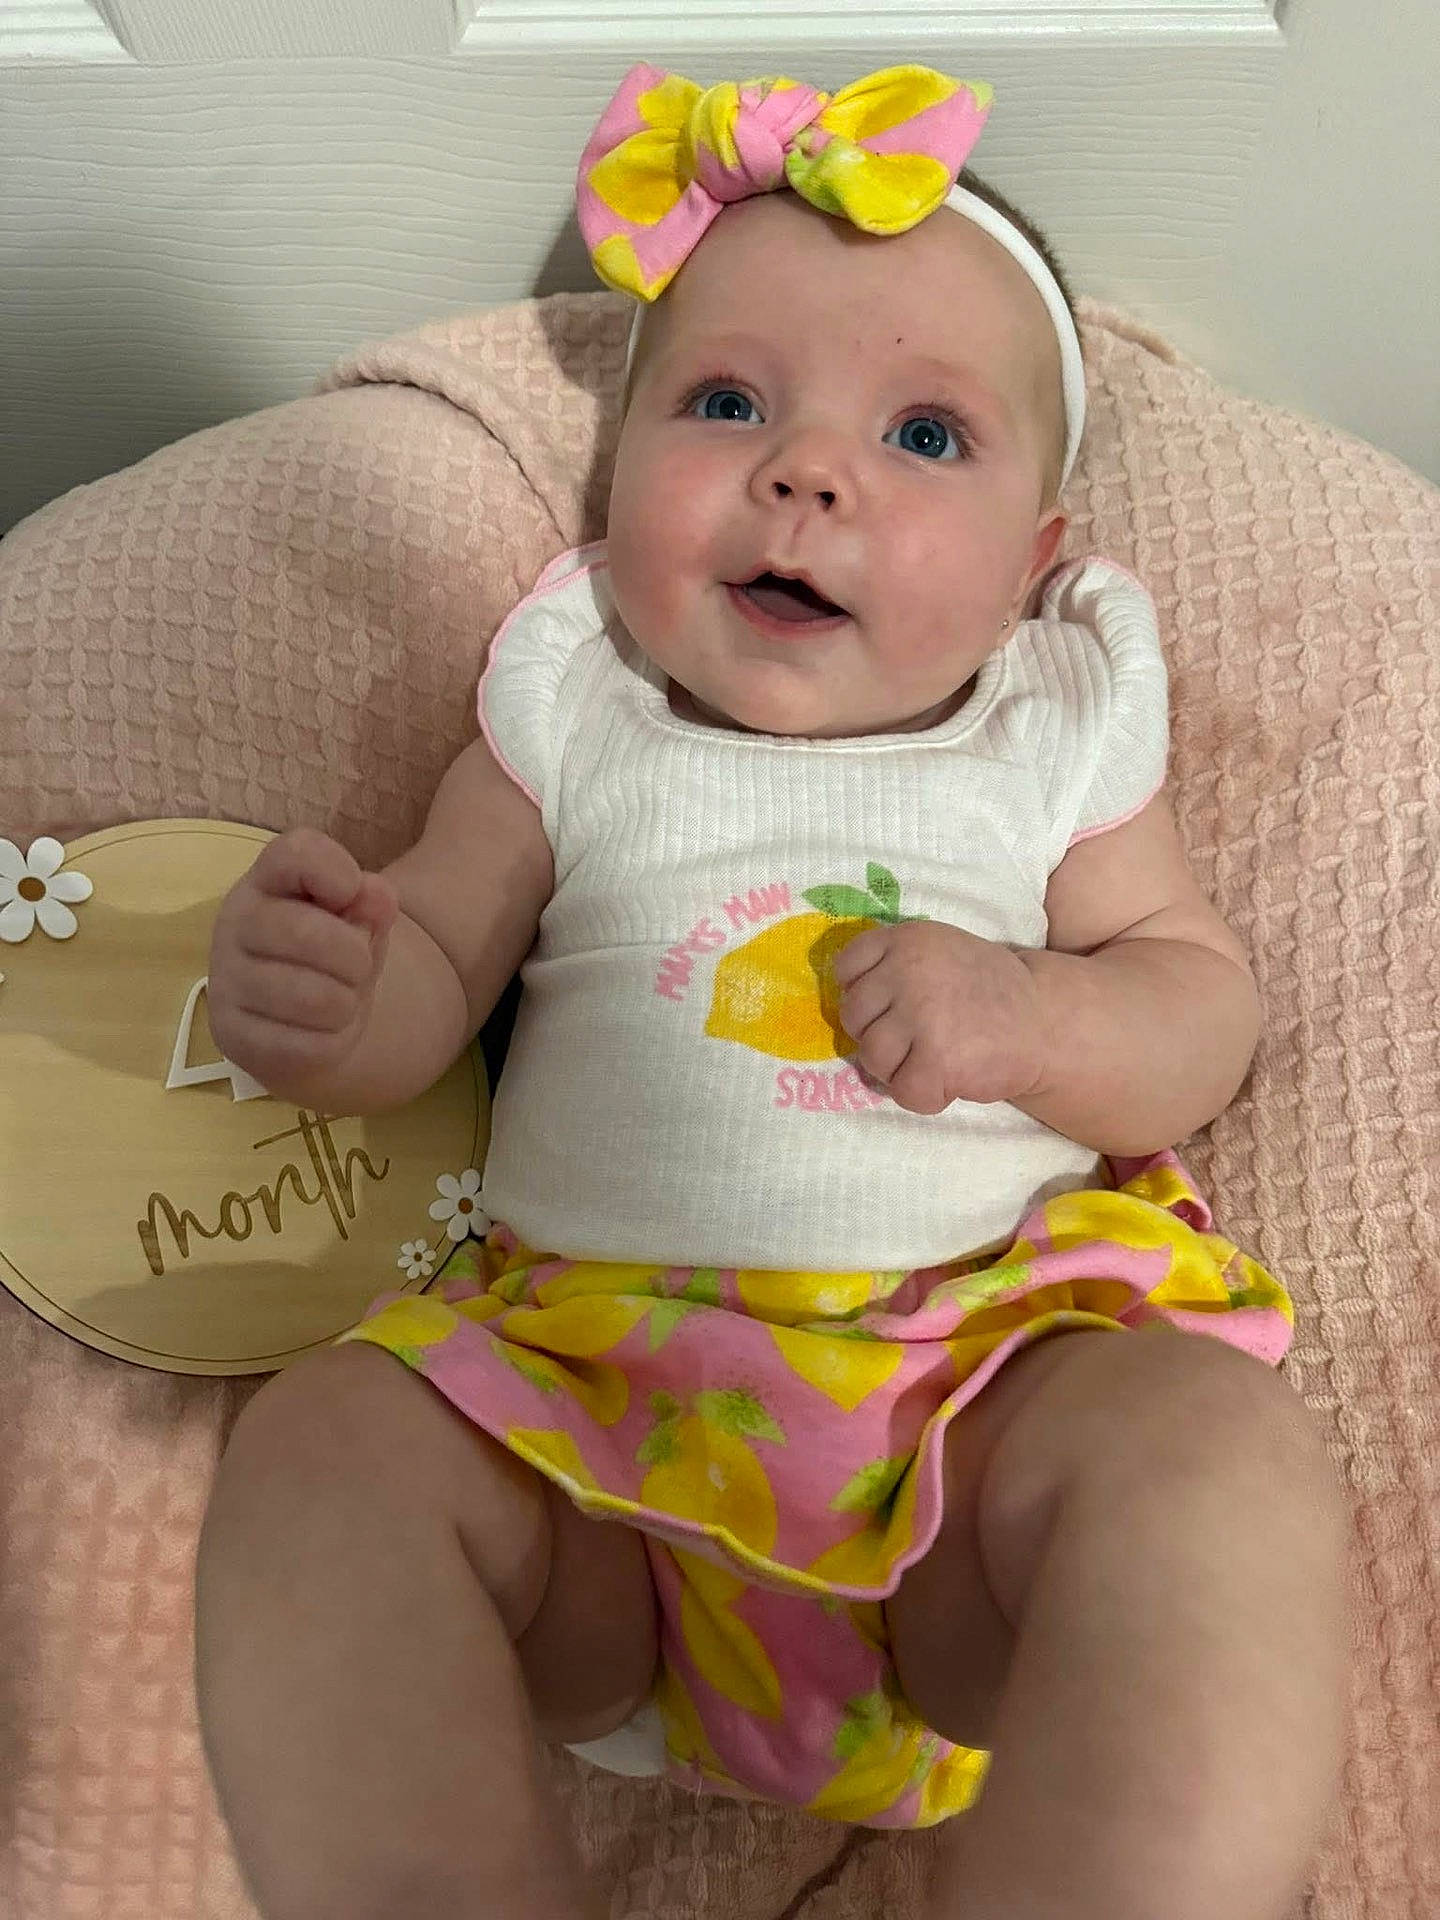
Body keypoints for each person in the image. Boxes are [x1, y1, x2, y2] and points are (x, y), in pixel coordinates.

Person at [194, 63, 1349, 1920]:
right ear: (619, 460)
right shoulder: (571, 701)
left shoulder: (1048, 732)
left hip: (973, 1424)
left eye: (927, 438)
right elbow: (435, 958)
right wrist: (341, 996)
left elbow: (1199, 1009)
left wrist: (1033, 1020)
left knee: (1215, 1459)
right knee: (327, 1450)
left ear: (1036, 566)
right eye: (727, 403)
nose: (808, 470)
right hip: (589, 1454)